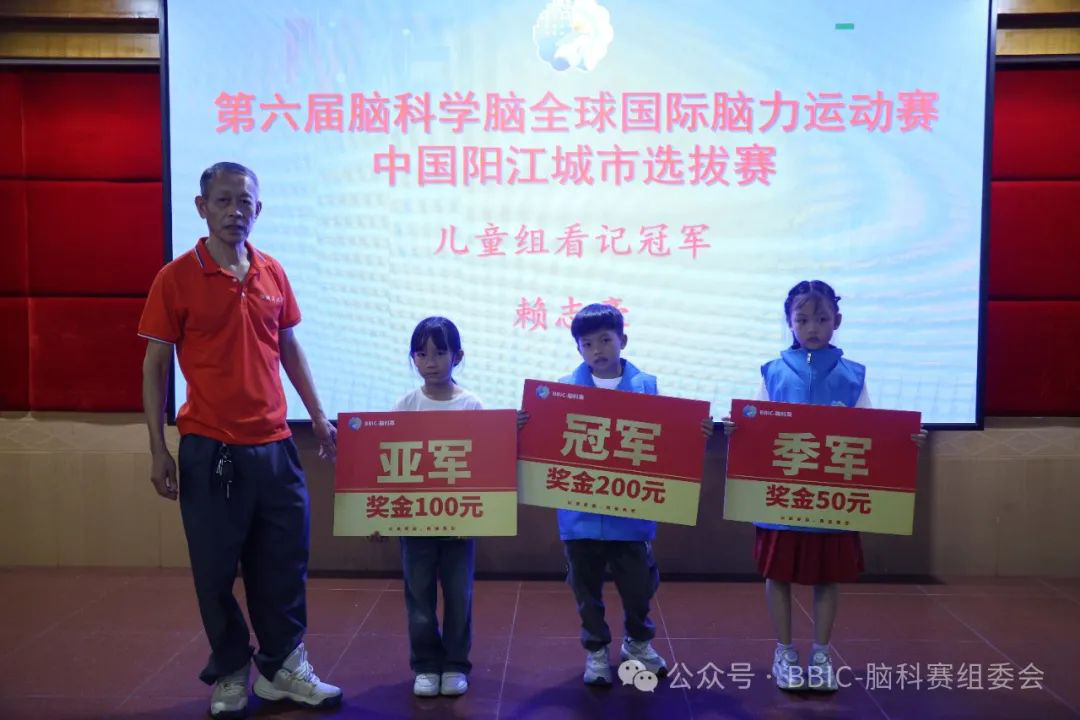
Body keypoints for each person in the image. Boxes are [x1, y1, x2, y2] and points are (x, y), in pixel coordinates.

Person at [140, 162, 341, 719]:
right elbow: (155, 364)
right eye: (223, 200)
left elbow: (289, 346)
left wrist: (318, 415)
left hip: (276, 446)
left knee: (283, 565)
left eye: (245, 202)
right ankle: (230, 669)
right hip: (211, 449)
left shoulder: (273, 271)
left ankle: (282, 669)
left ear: (259, 208)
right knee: (214, 570)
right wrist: (157, 447)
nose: (235, 211)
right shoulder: (175, 277)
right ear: (202, 207)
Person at [724, 280, 924, 693]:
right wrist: (735, 428)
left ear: (837, 321)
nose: (812, 327)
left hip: (832, 500)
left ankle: (821, 653)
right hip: (782, 497)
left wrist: (906, 440)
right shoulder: (773, 371)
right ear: (789, 322)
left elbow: (872, 429)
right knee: (777, 574)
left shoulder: (853, 375)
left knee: (827, 577)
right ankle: (784, 652)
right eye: (802, 319)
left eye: (821, 318)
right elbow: (756, 423)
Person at [519, 303, 712, 686]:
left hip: (631, 516)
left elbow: (668, 438)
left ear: (623, 339)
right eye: (587, 343)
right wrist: (524, 424)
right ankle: (595, 650)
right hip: (580, 517)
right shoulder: (561, 391)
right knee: (586, 591)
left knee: (639, 589)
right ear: (578, 349)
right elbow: (545, 443)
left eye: (605, 340)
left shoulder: (647, 387)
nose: (597, 350)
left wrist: (696, 431)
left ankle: (637, 644)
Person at [385, 317, 482, 698]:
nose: (431, 362)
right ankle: (425, 665)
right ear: (413, 358)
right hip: (415, 522)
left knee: (459, 596)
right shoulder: (405, 405)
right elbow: (388, 464)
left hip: (460, 521)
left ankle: (456, 663)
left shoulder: (471, 405)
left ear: (457, 356)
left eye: (440, 352)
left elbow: (485, 462)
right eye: (422, 354)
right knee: (419, 596)